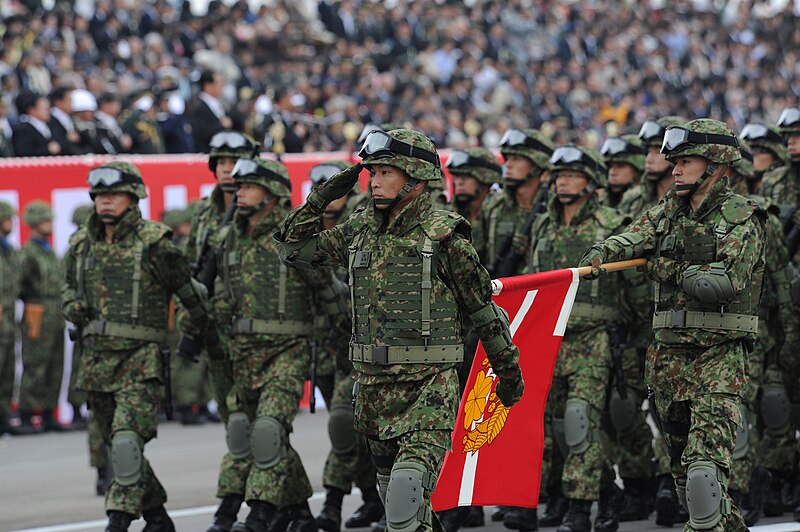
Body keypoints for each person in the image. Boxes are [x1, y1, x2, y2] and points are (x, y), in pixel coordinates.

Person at [276, 128, 525, 532]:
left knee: (405, 499)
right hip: (374, 393)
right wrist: (322, 198)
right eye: (371, 173)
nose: (374, 181)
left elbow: (483, 311)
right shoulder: (360, 229)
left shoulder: (444, 235)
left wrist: (507, 373)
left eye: (386, 173)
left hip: (428, 389)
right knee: (408, 516)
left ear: (415, 177)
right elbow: (293, 249)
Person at [580, 119, 765, 532]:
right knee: (688, 480)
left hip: (718, 357)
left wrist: (663, 268)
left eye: (685, 161)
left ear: (715, 165)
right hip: (667, 359)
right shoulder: (668, 209)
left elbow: (720, 282)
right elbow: (633, 237)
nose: (675, 169)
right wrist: (601, 253)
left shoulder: (741, 216)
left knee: (703, 474)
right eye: (674, 162)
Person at [62, 161, 208, 531]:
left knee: (126, 444)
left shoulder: (155, 243)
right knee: (117, 445)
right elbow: (67, 288)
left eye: (115, 195)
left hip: (140, 362)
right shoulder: (81, 244)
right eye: (100, 196)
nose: (106, 202)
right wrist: (71, 306)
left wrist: (207, 338)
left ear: (134, 197)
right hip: (96, 364)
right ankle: (157, 518)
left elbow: (191, 296)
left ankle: (118, 520)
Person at [210, 157, 325, 532]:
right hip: (244, 354)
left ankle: (257, 513)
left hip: (287, 350)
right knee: (258, 432)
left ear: (272, 192)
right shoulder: (228, 237)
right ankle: (301, 513)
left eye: (247, 185)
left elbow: (329, 292)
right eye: (237, 186)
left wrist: (342, 343)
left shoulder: (295, 236)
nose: (237, 191)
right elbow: (223, 294)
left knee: (268, 430)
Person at [526, 145, 628, 532]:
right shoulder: (542, 224)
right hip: (549, 338)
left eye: (572, 174)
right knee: (558, 430)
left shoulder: (610, 223)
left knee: (578, 420)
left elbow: (632, 289)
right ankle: (608, 490)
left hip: (594, 338)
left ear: (591, 182)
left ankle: (579, 508)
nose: (563, 180)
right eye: (559, 174)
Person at [186, 130, 260, 532]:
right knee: (238, 423)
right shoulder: (203, 214)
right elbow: (192, 270)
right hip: (216, 332)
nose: (228, 170)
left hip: (254, 332)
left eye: (235, 162)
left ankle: (231, 507)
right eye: (221, 163)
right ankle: (292, 504)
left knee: (249, 424)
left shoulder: (267, 211)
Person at [305, 160, 382, 532]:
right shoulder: (310, 235)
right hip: (326, 346)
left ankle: (332, 504)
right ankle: (371, 499)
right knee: (354, 431)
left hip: (365, 346)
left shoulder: (361, 228)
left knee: (343, 422)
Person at [18, 200, 67, 434]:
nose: (49, 224)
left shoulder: (48, 251)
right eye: (45, 220)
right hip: (37, 312)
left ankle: (49, 413)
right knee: (35, 364)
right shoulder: (27, 253)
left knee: (55, 365)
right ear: (35, 223)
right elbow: (17, 284)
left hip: (55, 313)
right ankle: (27, 414)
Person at [483, 128, 554, 279]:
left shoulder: (556, 211)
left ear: (538, 165)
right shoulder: (493, 207)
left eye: (517, 159)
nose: (508, 165)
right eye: (507, 158)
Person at [0, 200, 20, 436]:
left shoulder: (10, 251)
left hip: (7, 317)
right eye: (7, 219)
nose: (11, 224)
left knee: (7, 369)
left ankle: (3, 416)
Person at [12, 91, 61, 156]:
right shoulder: (22, 129)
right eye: (45, 109)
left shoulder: (51, 124)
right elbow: (23, 152)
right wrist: (47, 149)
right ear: (32, 110)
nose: (49, 111)